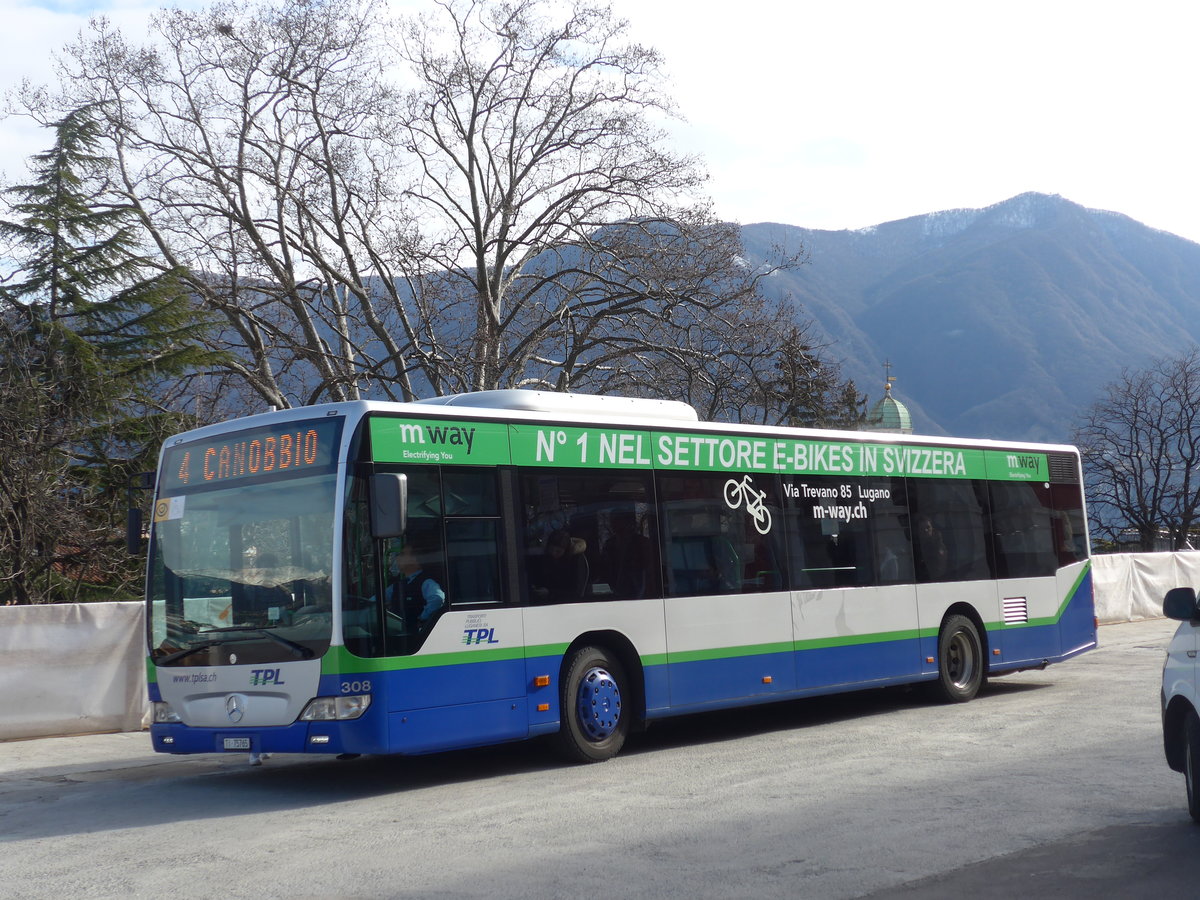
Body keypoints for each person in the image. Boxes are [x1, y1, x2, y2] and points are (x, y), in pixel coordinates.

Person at [389, 541, 446, 632]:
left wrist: (422, 618)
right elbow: (377, 599)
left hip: (415, 636)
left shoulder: (426, 582)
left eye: (403, 554)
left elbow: (437, 599)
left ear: (415, 559)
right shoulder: (398, 585)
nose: (398, 558)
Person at [531, 529, 588, 602]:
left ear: (566, 550)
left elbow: (575, 592)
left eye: (558, 551)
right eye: (551, 549)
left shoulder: (575, 562)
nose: (553, 553)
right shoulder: (544, 560)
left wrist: (550, 592)